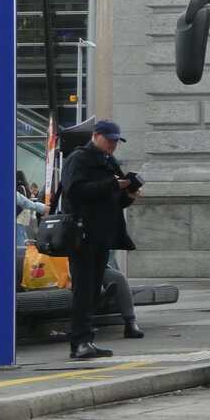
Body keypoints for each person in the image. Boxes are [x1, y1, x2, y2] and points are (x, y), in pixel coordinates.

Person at [61, 119, 140, 360]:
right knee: (83, 290)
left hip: (102, 235)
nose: (114, 144)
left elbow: (112, 199)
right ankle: (80, 342)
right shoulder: (79, 158)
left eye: (117, 140)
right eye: (110, 139)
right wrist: (111, 184)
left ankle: (86, 339)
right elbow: (73, 190)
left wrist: (128, 195)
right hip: (82, 235)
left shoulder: (110, 162)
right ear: (96, 136)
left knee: (93, 290)